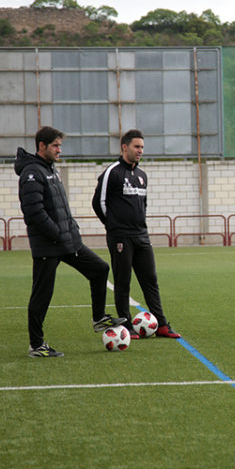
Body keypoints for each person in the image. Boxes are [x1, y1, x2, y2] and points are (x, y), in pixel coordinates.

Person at [15, 126, 125, 357]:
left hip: (66, 242)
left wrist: (70, 229)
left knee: (99, 269)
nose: (59, 150)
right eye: (55, 145)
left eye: (60, 145)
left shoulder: (50, 169)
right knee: (42, 294)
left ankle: (98, 319)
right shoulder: (32, 173)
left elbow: (59, 207)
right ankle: (36, 345)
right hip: (48, 244)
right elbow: (34, 213)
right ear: (42, 146)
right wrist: (56, 232)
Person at [92, 129, 181, 339]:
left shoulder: (142, 176)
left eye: (142, 147)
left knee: (150, 279)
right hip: (120, 237)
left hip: (141, 235)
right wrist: (113, 226)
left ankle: (161, 324)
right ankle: (126, 325)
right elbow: (98, 203)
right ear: (125, 147)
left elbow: (143, 205)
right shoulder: (111, 172)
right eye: (136, 147)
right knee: (123, 281)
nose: (140, 151)